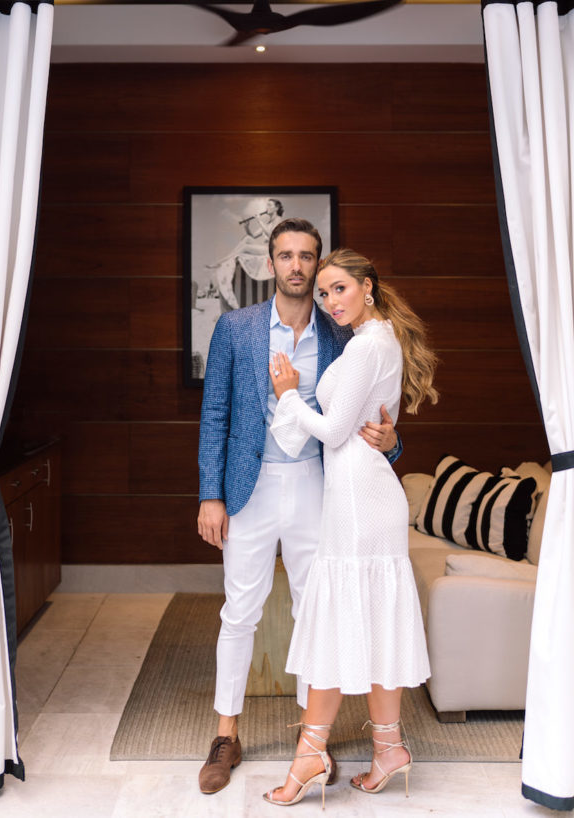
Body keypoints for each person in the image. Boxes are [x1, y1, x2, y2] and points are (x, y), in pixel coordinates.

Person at [197, 220, 402, 795]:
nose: (295, 266)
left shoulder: (343, 332)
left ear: (318, 268)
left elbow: (375, 409)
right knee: (240, 611)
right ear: (268, 264)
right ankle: (225, 734)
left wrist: (394, 443)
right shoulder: (235, 328)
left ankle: (310, 739)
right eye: (284, 255)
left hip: (319, 485)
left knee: (321, 611)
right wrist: (210, 494)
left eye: (306, 257)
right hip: (250, 487)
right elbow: (215, 415)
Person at [262, 248, 438, 807]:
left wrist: (288, 394)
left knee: (340, 625)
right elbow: (360, 425)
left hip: (360, 499)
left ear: (367, 286)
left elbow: (335, 431)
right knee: (370, 622)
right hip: (363, 492)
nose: (330, 300)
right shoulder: (377, 340)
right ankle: (388, 748)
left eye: (339, 288)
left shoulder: (367, 345)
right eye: (324, 293)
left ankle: (311, 753)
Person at [206, 198, 284, 310]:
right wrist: (246, 226)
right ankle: (226, 259)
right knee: (247, 239)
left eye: (270, 205)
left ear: (276, 208)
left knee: (246, 246)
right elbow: (252, 236)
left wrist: (259, 221)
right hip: (264, 247)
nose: (267, 208)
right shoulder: (268, 222)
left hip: (272, 250)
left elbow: (272, 235)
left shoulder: (279, 220)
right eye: (267, 205)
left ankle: (221, 261)